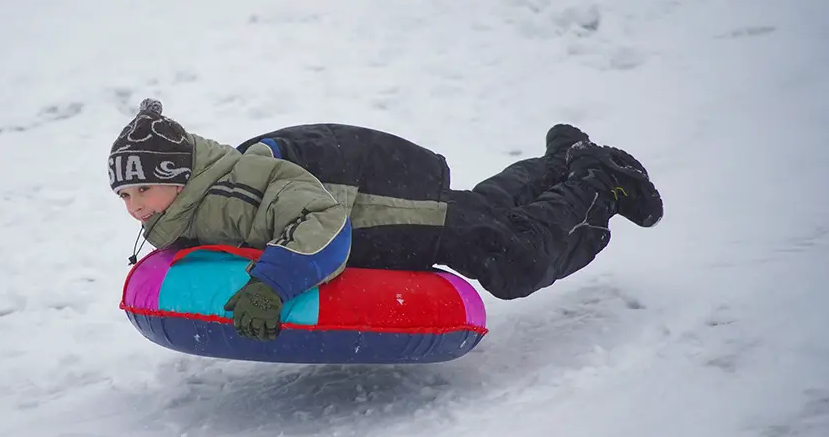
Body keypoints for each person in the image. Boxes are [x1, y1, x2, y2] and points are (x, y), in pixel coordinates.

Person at [109, 99, 663, 342]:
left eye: (143, 189)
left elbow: (320, 219)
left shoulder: (235, 188)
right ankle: (562, 157)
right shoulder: (196, 201)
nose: (135, 206)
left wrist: (271, 286)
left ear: (179, 176)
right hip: (390, 199)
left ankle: (601, 180)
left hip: (385, 208)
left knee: (513, 260)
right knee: (481, 212)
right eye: (124, 195)